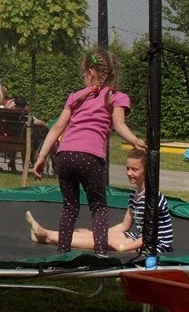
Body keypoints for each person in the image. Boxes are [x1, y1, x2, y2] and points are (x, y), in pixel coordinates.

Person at [31, 49, 146, 255]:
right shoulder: (116, 97)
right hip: (89, 156)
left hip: (64, 155)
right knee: (98, 205)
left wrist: (42, 156)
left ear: (90, 72)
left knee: (70, 206)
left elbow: (57, 127)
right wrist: (134, 140)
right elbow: (119, 125)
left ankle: (62, 251)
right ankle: (100, 252)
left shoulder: (76, 97)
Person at [26, 148, 173, 253]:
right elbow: (124, 226)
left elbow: (149, 237)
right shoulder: (134, 195)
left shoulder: (152, 199)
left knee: (106, 240)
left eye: (135, 170)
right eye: (127, 168)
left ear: (147, 171)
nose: (129, 173)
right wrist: (98, 233)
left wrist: (122, 248)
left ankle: (46, 235)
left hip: (156, 244)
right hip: (139, 237)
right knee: (88, 233)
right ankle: (44, 236)